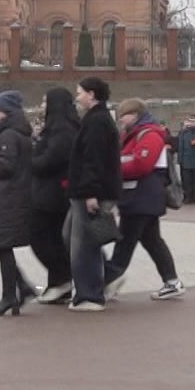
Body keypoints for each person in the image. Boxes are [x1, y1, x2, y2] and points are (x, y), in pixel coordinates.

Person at [105, 98, 184, 300]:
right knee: (151, 240)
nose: (121, 119)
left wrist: (114, 169)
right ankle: (172, 281)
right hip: (141, 198)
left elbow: (141, 164)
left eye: (125, 114)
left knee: (126, 241)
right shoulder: (131, 136)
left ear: (136, 115)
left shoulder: (150, 135)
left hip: (141, 198)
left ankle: (109, 280)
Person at [0, 91, 35, 316]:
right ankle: (20, 288)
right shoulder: (18, 134)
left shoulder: (9, 137)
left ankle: (11, 293)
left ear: (6, 112)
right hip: (11, 196)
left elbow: (6, 167)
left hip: (6, 197)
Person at [66, 76, 122, 312]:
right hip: (92, 189)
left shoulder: (96, 122)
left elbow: (93, 160)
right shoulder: (97, 119)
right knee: (72, 236)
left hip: (92, 192)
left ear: (91, 94)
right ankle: (105, 278)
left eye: (79, 93)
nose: (77, 98)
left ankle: (90, 294)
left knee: (84, 244)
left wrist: (90, 193)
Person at [28, 87, 80, 303]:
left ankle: (62, 277)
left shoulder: (62, 131)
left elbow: (51, 159)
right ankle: (59, 283)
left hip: (53, 192)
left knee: (39, 236)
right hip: (53, 190)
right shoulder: (61, 128)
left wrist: (31, 161)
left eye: (45, 102)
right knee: (55, 238)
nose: (42, 106)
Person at [177, 116, 195, 205]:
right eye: (190, 121)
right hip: (186, 159)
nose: (191, 123)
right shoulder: (184, 132)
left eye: (193, 121)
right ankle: (187, 197)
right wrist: (180, 159)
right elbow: (180, 147)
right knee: (186, 180)